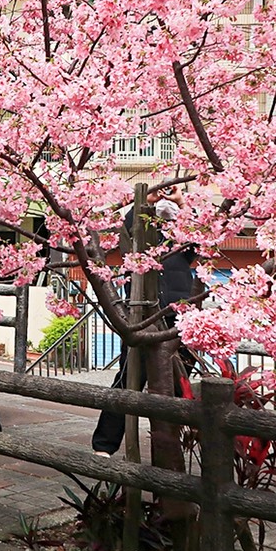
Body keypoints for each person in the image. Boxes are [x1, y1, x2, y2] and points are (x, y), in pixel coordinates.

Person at [92, 190, 197, 456]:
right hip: (141, 316)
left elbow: (200, 237)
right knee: (129, 378)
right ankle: (105, 445)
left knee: (178, 381)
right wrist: (145, 202)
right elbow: (124, 235)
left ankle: (170, 448)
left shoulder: (180, 243)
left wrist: (182, 203)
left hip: (178, 315)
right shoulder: (136, 246)